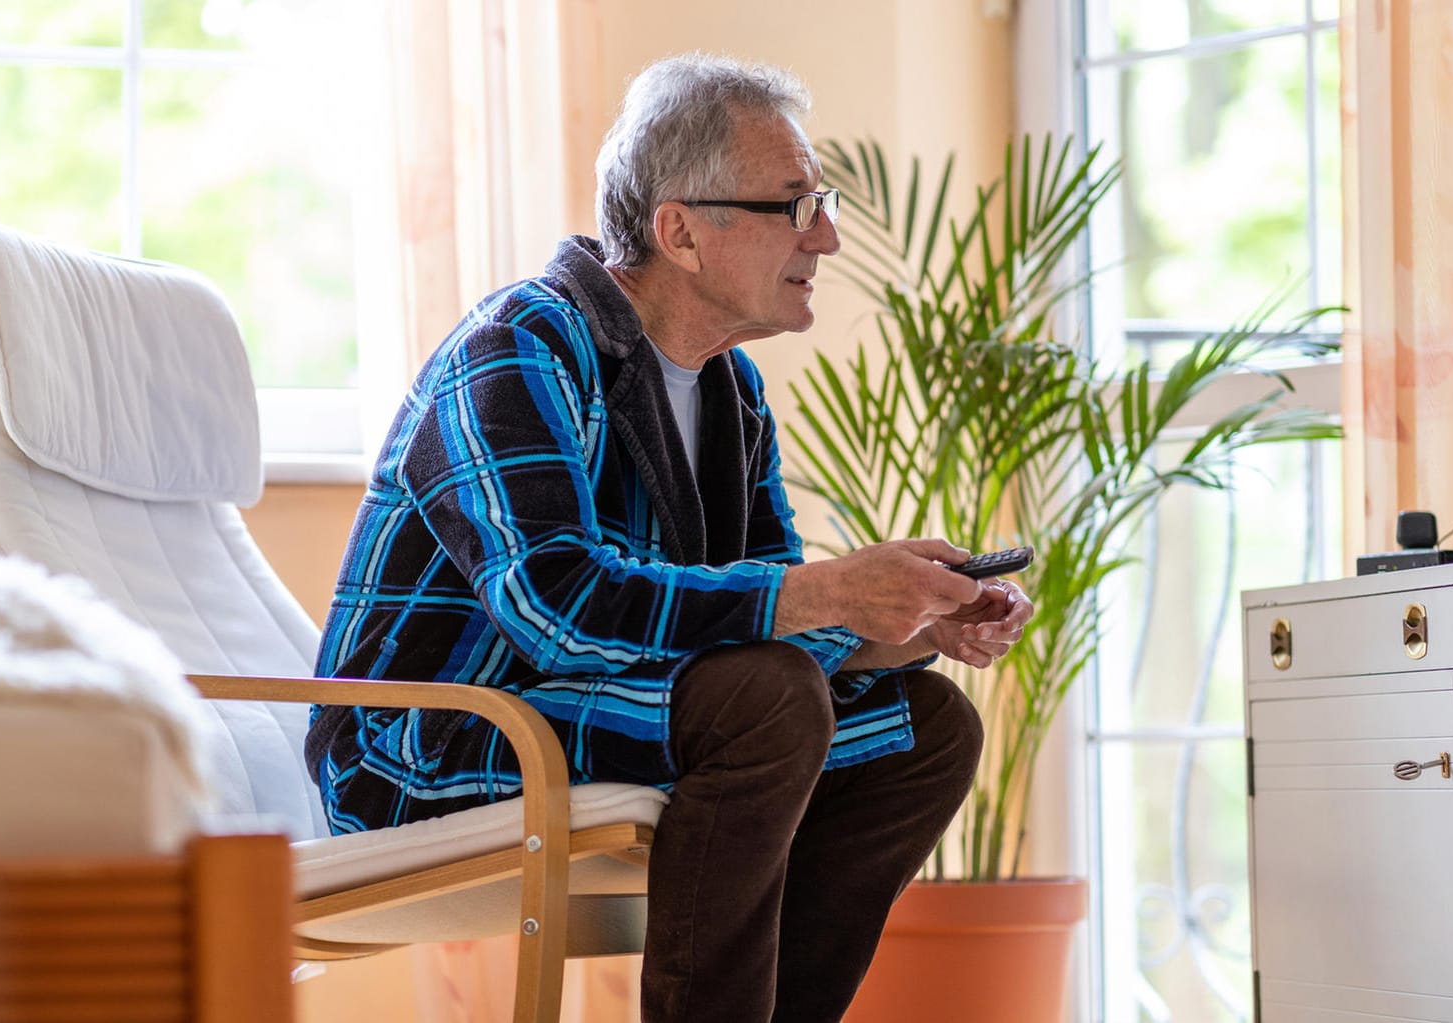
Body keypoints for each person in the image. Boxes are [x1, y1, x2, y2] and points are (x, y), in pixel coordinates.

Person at [305, 52, 1034, 1023]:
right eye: (796, 203)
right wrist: (825, 596)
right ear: (680, 231)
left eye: (822, 203)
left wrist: (907, 627)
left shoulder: (730, 392)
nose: (826, 236)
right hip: (434, 741)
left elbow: (763, 617)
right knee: (766, 699)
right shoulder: (518, 346)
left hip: (592, 716)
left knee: (929, 727)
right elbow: (553, 607)